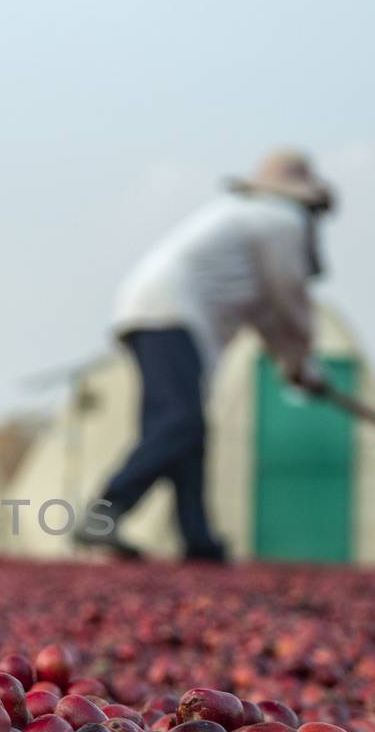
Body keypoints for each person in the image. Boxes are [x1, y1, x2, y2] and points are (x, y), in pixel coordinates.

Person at [78, 147, 335, 563]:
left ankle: (199, 541)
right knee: (179, 423)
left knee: (187, 433)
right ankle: (104, 513)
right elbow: (289, 304)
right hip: (170, 314)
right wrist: (303, 365)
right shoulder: (280, 222)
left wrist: (295, 366)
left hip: (151, 312)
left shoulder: (247, 218)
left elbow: (268, 317)